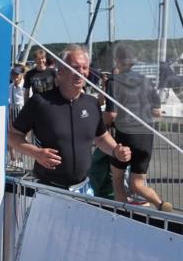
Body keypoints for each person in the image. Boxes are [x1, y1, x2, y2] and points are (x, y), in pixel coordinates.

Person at [9, 45, 130, 193]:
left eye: (84, 67)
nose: (80, 72)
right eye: (75, 67)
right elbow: (12, 136)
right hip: (49, 188)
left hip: (84, 189)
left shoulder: (92, 104)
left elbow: (101, 137)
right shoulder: (40, 102)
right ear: (60, 71)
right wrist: (36, 153)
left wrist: (116, 151)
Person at [104, 44, 172, 211]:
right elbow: (156, 112)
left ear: (117, 60)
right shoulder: (146, 81)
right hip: (146, 137)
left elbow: (111, 114)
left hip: (126, 137)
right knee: (137, 183)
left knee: (118, 180)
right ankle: (161, 205)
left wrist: (99, 123)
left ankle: (123, 215)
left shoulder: (114, 81)